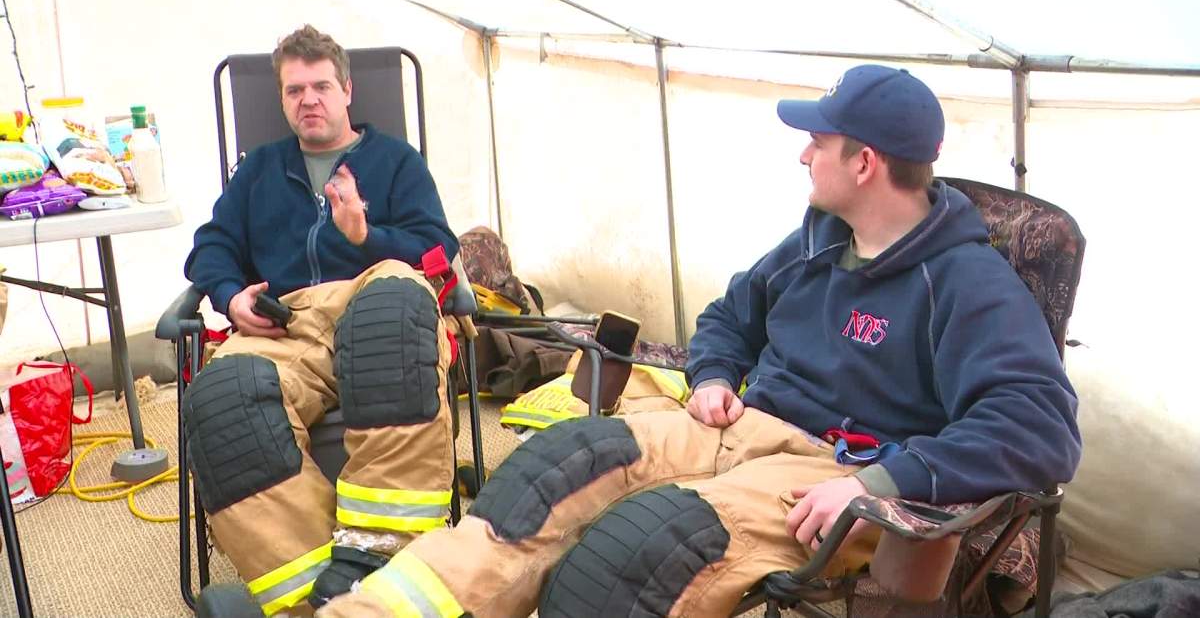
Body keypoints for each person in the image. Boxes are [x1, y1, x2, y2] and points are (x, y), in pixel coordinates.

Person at [315, 64, 1083, 618]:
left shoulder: (967, 282)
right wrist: (714, 372)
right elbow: (730, 314)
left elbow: (1040, 427)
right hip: (733, 422)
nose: (802, 153)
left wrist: (878, 482)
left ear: (865, 161)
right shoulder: (818, 237)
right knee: (554, 470)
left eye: (817, 141)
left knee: (635, 555)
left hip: (832, 470)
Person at [183, 24, 460, 614]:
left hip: (373, 299)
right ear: (282, 99)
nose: (308, 99)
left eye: (321, 87)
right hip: (285, 326)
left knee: (395, 316)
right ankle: (328, 600)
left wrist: (367, 236)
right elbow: (210, 247)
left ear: (348, 91)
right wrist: (232, 297)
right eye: (294, 90)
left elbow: (437, 249)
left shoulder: (395, 162)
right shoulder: (258, 169)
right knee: (222, 400)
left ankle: (381, 555)